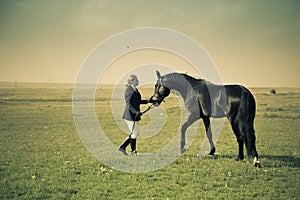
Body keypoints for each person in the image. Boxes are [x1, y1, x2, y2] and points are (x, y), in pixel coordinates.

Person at [118, 75, 152, 155]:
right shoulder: (128, 90)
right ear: (132, 81)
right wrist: (136, 112)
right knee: (134, 133)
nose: (138, 81)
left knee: (136, 133)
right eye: (137, 80)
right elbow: (128, 105)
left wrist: (148, 101)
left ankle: (122, 147)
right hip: (129, 115)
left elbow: (137, 101)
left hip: (134, 115)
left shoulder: (135, 90)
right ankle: (133, 151)